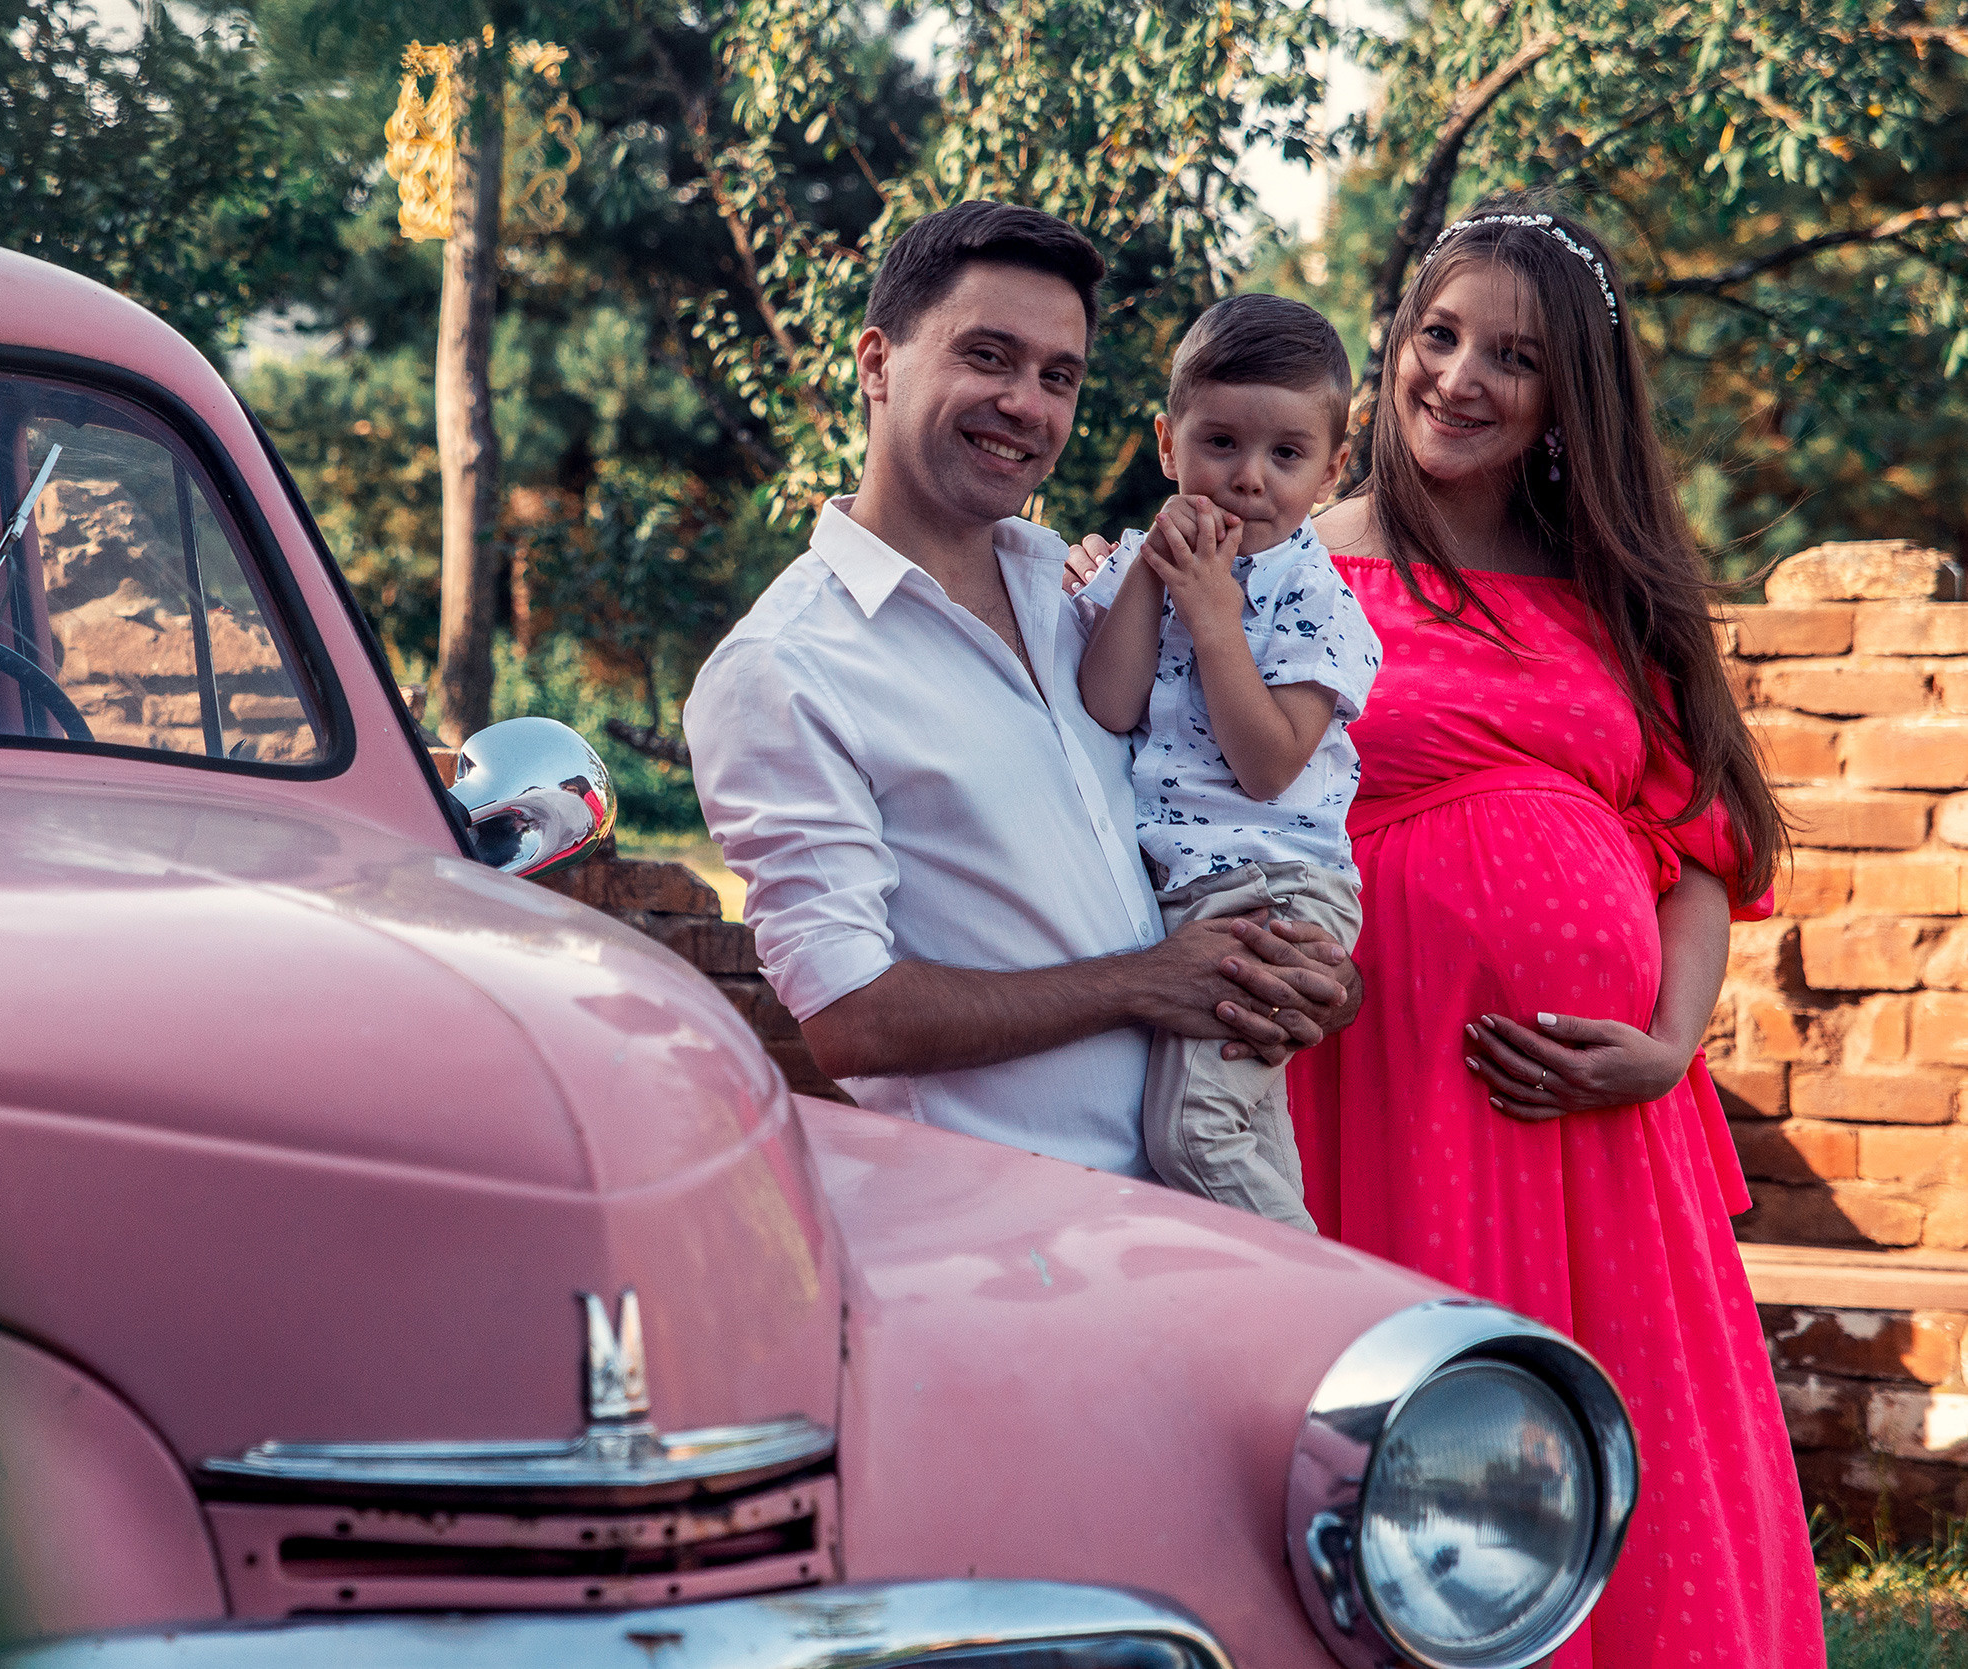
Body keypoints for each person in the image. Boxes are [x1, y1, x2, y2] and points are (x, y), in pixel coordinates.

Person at [1288, 194, 1824, 1666]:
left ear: (1563, 399)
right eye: (1437, 334)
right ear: (1393, 342)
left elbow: (1707, 863)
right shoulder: (1285, 568)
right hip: (1378, 1094)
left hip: (1596, 1124)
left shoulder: (1615, 599)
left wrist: (1665, 1047)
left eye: (1510, 358)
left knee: (1620, 1450)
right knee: (1409, 1478)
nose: (1459, 378)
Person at [683, 201, 1359, 1177]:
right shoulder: (785, 669)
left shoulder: (1086, 598)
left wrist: (1305, 980)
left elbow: (1211, 831)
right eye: (987, 357)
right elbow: (850, 1018)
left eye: (1058, 377)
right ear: (877, 363)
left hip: (1190, 1214)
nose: (1026, 405)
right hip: (1000, 1235)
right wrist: (1145, 984)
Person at [1073, 295, 1379, 1232]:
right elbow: (1108, 704)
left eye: (1285, 456)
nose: (1248, 479)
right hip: (1191, 891)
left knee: (1191, 1137)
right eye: (1220, 444)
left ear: (1330, 471)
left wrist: (1211, 615)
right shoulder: (1143, 560)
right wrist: (1149, 580)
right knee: (1248, 1133)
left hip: (1276, 892)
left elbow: (1269, 766)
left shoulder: (1318, 601)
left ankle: (1319, 1308)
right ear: (1168, 445)